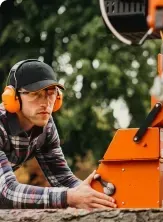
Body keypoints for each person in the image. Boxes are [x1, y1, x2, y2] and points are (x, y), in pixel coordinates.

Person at [0, 59, 116, 209]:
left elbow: (63, 179)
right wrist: (69, 197)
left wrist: (92, 193)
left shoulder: (45, 126)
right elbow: (7, 191)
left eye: (51, 94)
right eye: (36, 94)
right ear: (13, 97)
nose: (46, 103)